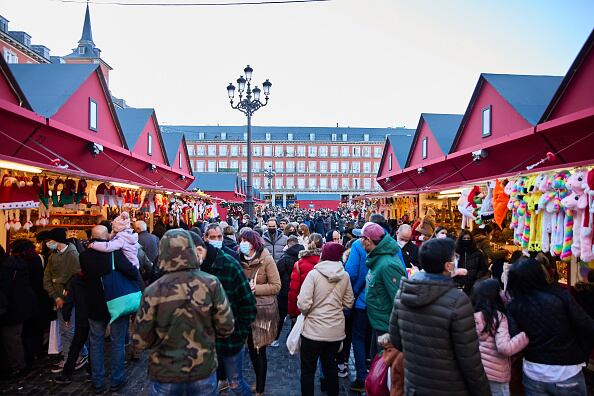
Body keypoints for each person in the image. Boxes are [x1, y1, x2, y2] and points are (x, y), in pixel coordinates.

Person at [135, 229, 234, 396]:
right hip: (202, 369)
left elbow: (141, 339)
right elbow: (227, 326)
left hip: (165, 371)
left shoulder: (154, 290)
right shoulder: (210, 284)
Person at [389, 238, 491, 395]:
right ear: (448, 265)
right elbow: (470, 360)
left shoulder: (403, 294)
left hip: (415, 384)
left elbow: (396, 340)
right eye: (453, 258)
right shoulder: (457, 301)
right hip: (450, 387)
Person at [507, 257, 594, 395]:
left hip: (534, 372)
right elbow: (587, 326)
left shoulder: (514, 305)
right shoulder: (560, 296)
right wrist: (581, 353)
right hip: (567, 371)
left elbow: (514, 340)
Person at [194, 232, 257, 396]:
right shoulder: (191, 270)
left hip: (229, 341)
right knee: (207, 387)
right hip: (202, 344)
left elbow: (248, 305)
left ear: (199, 250)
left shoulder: (229, 265)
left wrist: (237, 335)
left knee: (235, 384)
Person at [80, 225, 139, 393]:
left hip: (94, 305)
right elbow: (133, 273)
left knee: (96, 342)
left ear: (92, 237)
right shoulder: (115, 253)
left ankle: (97, 380)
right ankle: (116, 380)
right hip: (116, 303)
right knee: (117, 343)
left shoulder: (84, 256)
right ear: (107, 238)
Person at [298, 242, 354, 396]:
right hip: (335, 332)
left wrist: (311, 311)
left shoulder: (313, 274)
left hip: (312, 332)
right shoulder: (345, 275)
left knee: (308, 371)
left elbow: (303, 303)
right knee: (331, 369)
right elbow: (349, 302)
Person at [238, 230, 281, 396]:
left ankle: (261, 388)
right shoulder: (239, 259)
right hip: (245, 310)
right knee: (249, 346)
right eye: (241, 241)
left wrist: (257, 289)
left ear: (254, 243)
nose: (243, 244)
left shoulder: (266, 259)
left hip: (263, 311)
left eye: (246, 241)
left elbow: (276, 286)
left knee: (259, 348)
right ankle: (256, 380)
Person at [471, 279, 529, 395]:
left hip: (477, 372)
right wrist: (525, 335)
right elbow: (504, 348)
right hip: (497, 375)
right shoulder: (498, 318)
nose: (502, 292)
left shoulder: (471, 316)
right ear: (495, 295)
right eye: (500, 290)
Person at [42, 227, 87, 374]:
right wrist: (55, 296)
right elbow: (47, 278)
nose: (48, 243)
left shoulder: (72, 255)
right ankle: (77, 354)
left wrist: (64, 296)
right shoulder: (53, 255)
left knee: (68, 329)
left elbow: (76, 278)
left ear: (58, 241)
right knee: (66, 329)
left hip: (69, 300)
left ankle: (72, 357)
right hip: (58, 298)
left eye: (50, 240)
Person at [359, 222, 406, 357]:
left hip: (386, 328)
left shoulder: (387, 264)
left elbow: (399, 300)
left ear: (368, 241)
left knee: (382, 370)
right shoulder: (378, 259)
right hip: (378, 323)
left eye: (361, 238)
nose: (360, 241)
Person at [10, 239, 48, 364]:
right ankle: (36, 352)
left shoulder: (21, 263)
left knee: (28, 330)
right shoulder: (37, 259)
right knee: (35, 329)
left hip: (28, 300)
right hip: (38, 298)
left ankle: (30, 355)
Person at [0, 246, 36, 376]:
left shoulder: (7, 269)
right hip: (19, 306)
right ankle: (17, 364)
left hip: (11, 308)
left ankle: (17, 365)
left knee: (12, 339)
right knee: (14, 338)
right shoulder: (17, 265)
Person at [344, 230, 370, 392]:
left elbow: (351, 273)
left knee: (358, 338)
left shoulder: (357, 246)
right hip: (380, 303)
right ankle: (377, 373)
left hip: (361, 301)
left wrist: (349, 295)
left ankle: (362, 377)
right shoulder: (393, 246)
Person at [273, 236, 304, 347]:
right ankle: (292, 339)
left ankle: (275, 339)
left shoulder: (285, 258)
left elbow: (277, 274)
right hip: (300, 292)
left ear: (289, 245)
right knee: (295, 317)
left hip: (285, 292)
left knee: (280, 317)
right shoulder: (303, 257)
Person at [288, 233, 323, 318]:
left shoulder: (299, 264)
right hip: (322, 309)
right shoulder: (327, 263)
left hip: (302, 309)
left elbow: (294, 290)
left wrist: (292, 312)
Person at [455, 230, 489, 295]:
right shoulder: (455, 253)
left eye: (468, 238)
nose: (466, 240)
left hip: (473, 285)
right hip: (458, 285)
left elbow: (483, 268)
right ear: (460, 239)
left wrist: (477, 277)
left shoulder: (478, 253)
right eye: (464, 238)